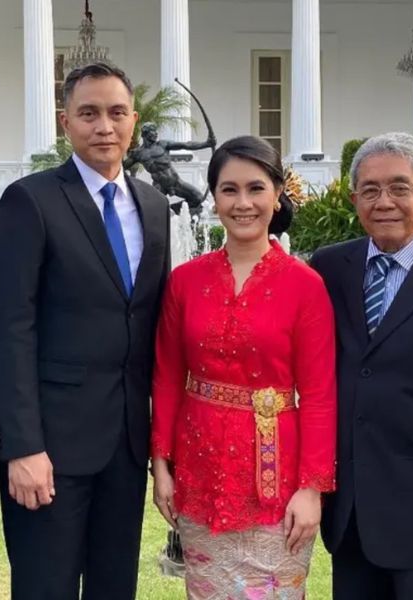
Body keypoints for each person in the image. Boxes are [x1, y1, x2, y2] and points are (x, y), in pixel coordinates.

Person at [0, 62, 170, 599]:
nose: (104, 127)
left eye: (116, 113)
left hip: (126, 443)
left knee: (115, 587)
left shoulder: (153, 206)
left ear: (133, 121)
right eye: (89, 114)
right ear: (66, 122)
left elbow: (150, 321)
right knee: (47, 587)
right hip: (50, 448)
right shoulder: (32, 199)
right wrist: (22, 446)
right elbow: (10, 328)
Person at [148, 135, 337, 599]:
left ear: (277, 196)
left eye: (255, 188)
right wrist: (160, 464)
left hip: (277, 474)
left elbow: (319, 394)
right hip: (198, 465)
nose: (243, 202)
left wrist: (312, 488)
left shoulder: (305, 285)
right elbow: (168, 376)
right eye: (229, 189)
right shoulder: (185, 282)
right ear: (214, 197)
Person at [310, 132, 413, 599]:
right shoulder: (329, 269)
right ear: (353, 199)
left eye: (399, 188)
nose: (383, 201)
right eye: (370, 189)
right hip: (350, 514)